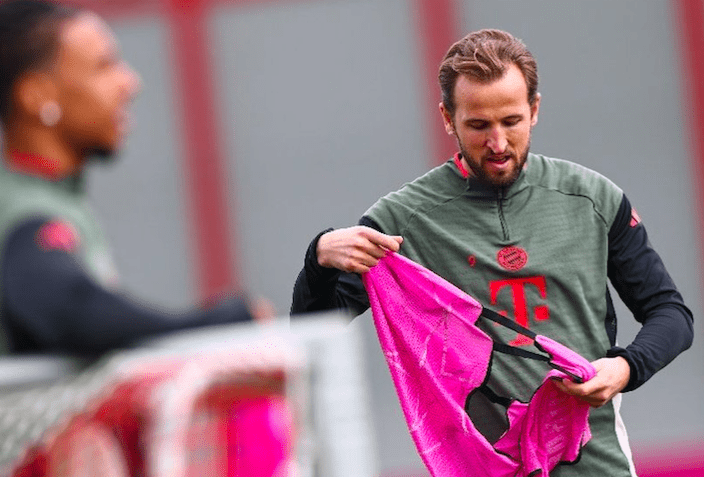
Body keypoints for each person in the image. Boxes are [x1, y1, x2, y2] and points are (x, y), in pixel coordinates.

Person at [291, 29, 693, 476]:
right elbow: (311, 336)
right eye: (479, 126)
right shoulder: (401, 221)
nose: (498, 143)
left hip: (599, 465)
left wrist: (625, 367)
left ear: (535, 110)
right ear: (448, 118)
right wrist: (319, 259)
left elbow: (672, 316)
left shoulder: (594, 199)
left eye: (511, 121)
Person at [0, 0, 270, 358]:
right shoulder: (18, 209)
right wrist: (218, 325)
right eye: (104, 66)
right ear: (38, 96)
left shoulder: (44, 193)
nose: (131, 83)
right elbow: (72, 310)